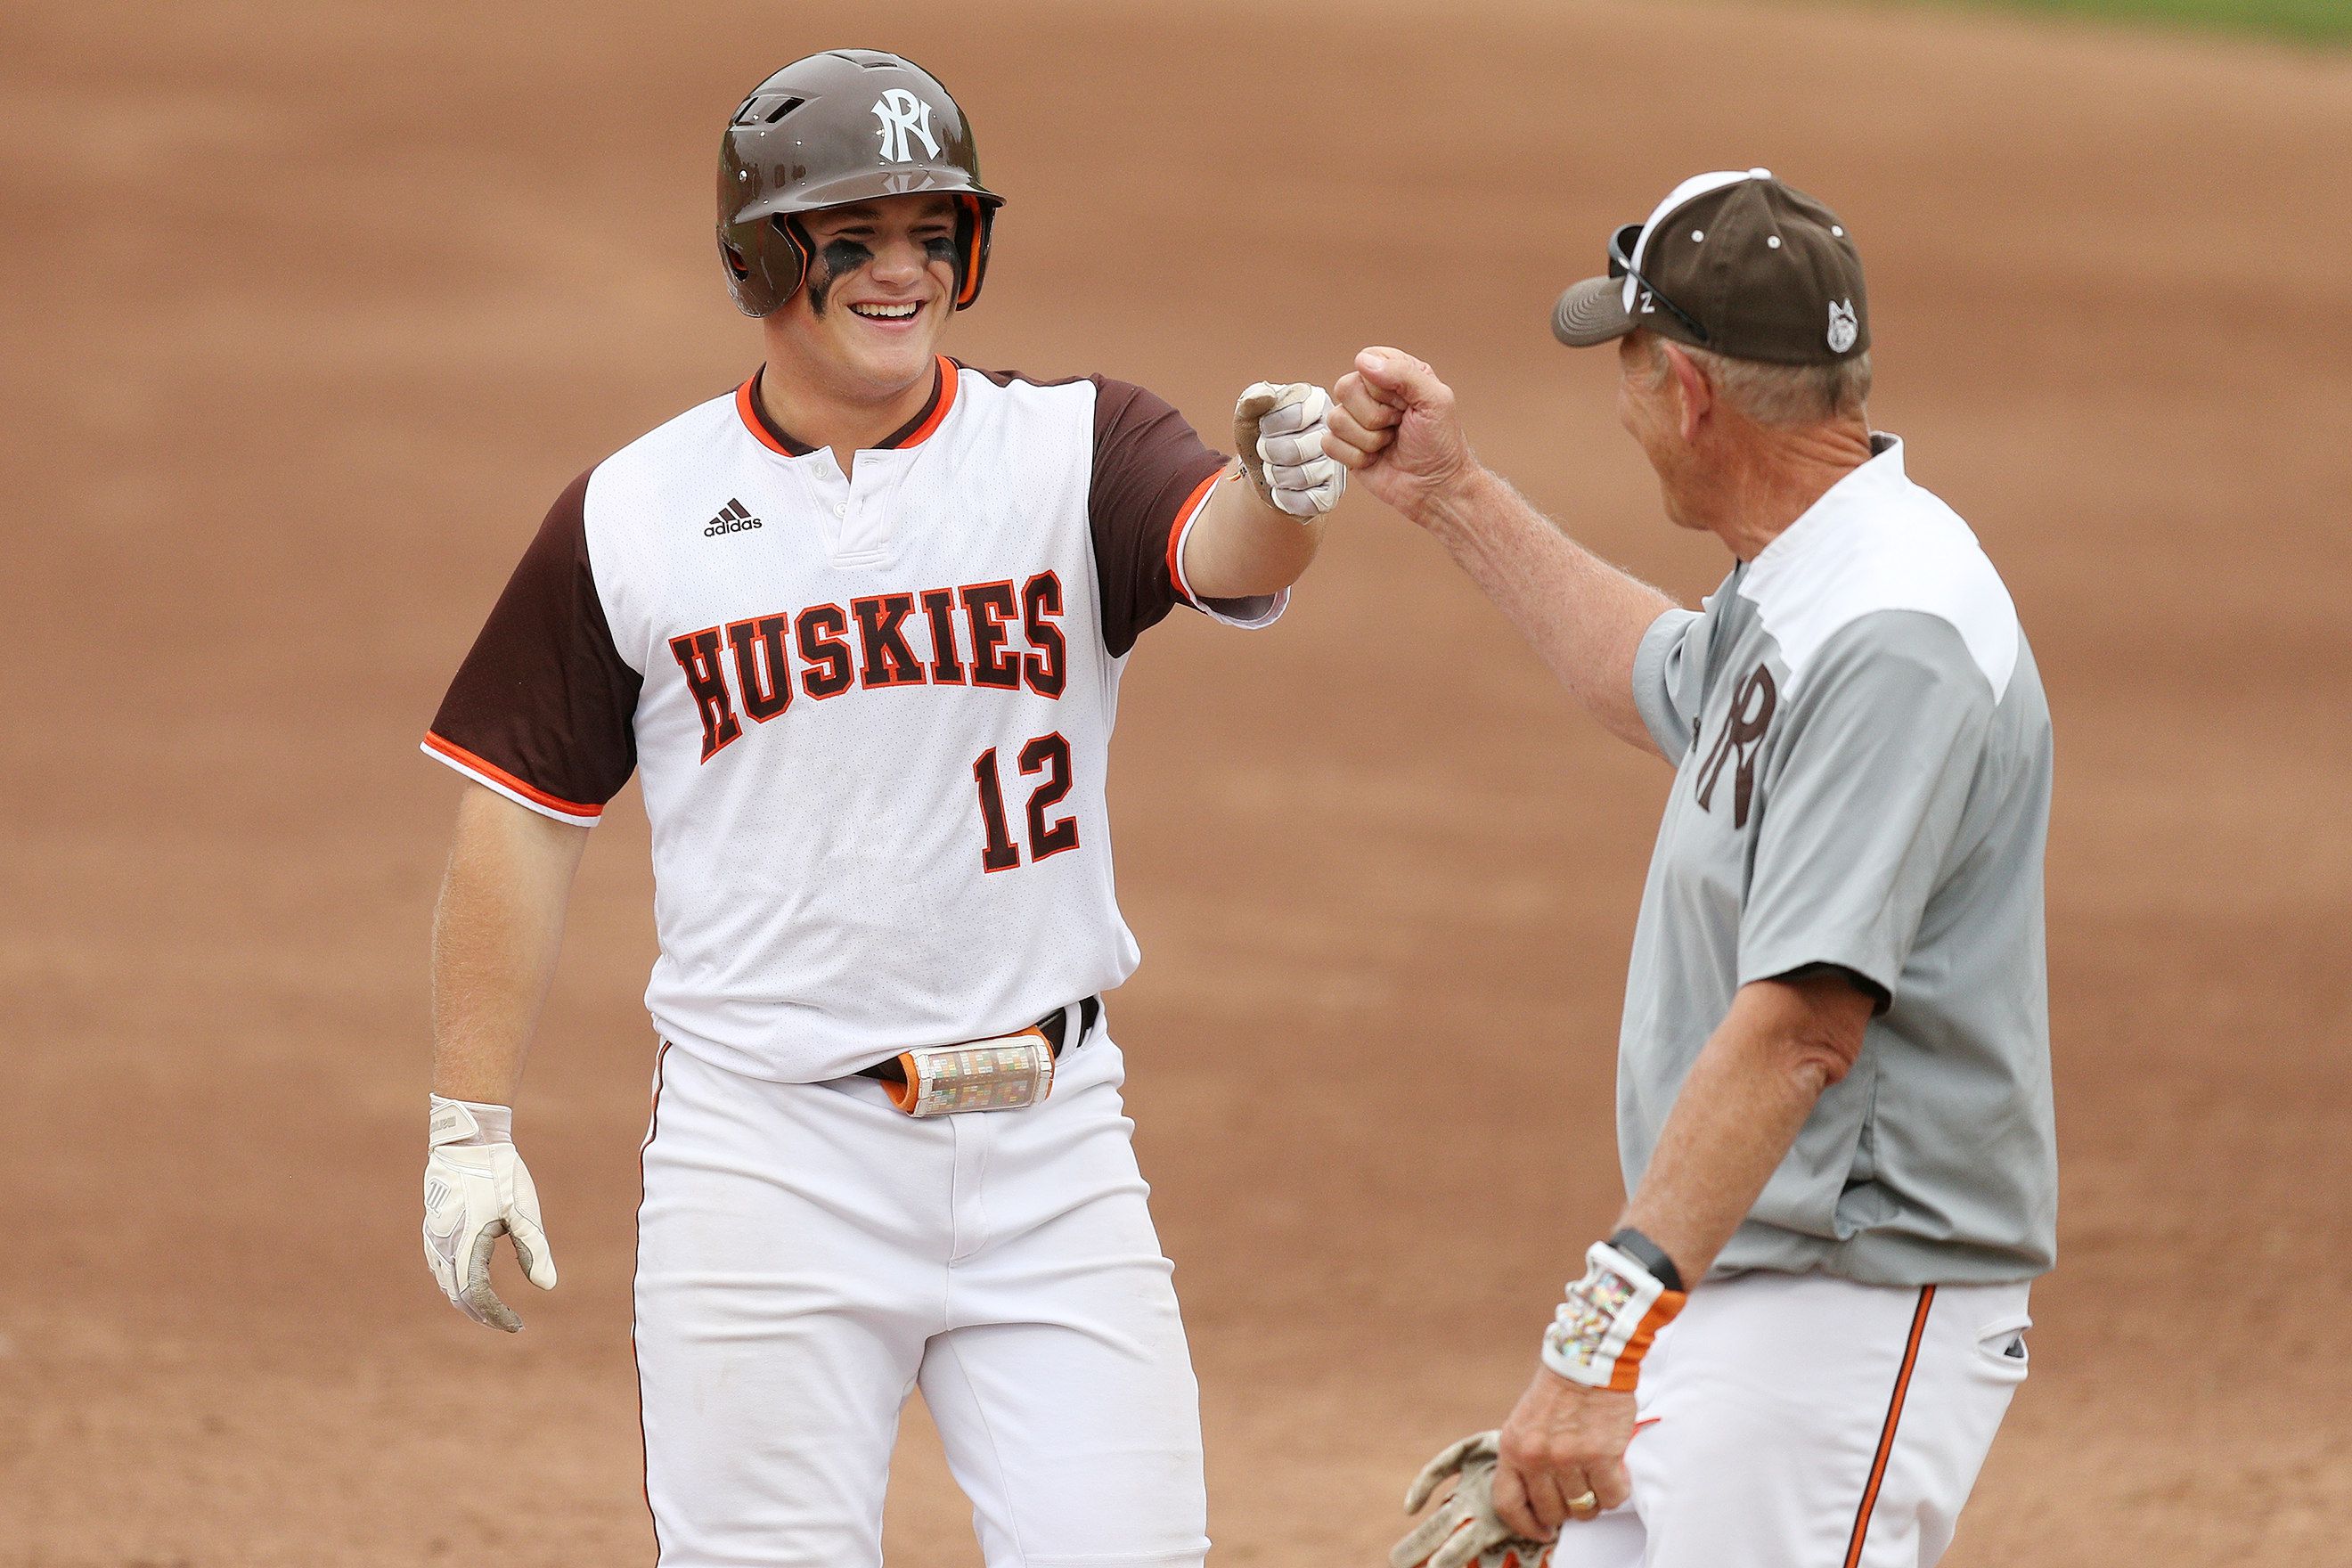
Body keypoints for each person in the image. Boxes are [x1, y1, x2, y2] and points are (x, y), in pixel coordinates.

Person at [414, 49, 1348, 1568]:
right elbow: (521, 811)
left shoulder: (1072, 446)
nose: (902, 273)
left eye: (934, 235)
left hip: (1056, 1151)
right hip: (767, 1161)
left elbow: (1221, 548)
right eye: (854, 240)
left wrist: (1286, 495)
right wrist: (470, 1123)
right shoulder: (632, 515)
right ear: (761, 259)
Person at [1327, 170, 2054, 1568]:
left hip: (1844, 1308)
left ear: (1689, 393)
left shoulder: (1891, 632)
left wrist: (1591, 1348)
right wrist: (1452, 498)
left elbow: (1799, 1036)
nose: (1624, 402)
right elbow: (1655, 676)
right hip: (1732, 1291)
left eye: (1626, 363)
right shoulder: (1807, 575)